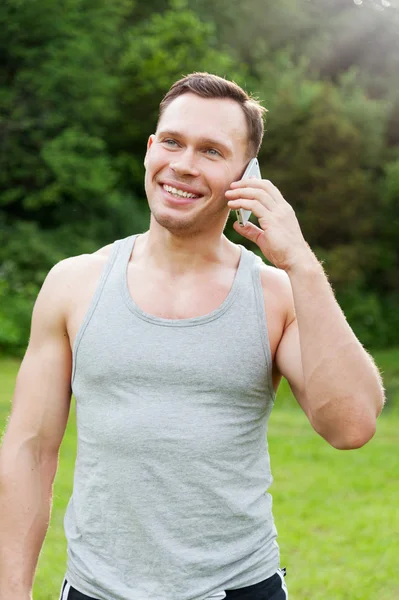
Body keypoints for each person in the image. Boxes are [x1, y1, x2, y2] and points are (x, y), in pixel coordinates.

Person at [0, 72, 385, 600]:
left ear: (245, 176)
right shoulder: (74, 283)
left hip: (239, 589)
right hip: (95, 590)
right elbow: (29, 449)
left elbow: (352, 425)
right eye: (173, 142)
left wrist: (301, 265)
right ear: (149, 149)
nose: (183, 164)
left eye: (211, 151)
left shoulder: (276, 295)